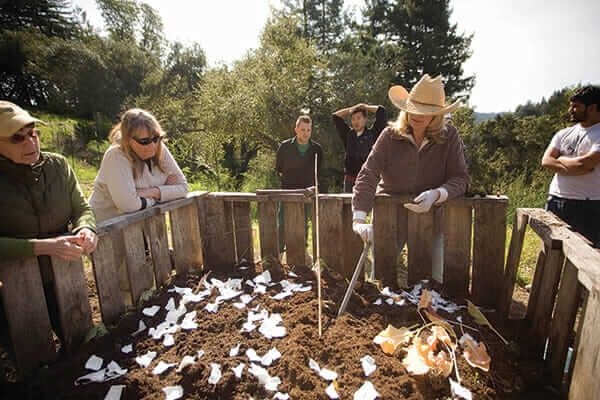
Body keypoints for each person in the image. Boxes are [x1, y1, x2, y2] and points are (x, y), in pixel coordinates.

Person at [351, 74, 470, 286]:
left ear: (437, 115)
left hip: (433, 220)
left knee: (435, 282)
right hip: (390, 218)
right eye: (413, 109)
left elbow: (460, 178)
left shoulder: (449, 136)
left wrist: (437, 194)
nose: (417, 116)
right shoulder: (389, 136)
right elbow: (368, 174)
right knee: (380, 280)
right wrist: (359, 219)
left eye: (426, 112)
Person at [0, 101, 97, 339]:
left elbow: (81, 208)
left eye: (33, 133)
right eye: (17, 138)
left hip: (64, 273)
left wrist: (86, 228)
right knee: (31, 355)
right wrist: (42, 247)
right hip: (14, 285)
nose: (30, 142)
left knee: (79, 339)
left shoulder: (58, 165)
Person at [89, 108, 188, 223]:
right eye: (144, 141)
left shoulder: (159, 147)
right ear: (128, 140)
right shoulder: (115, 155)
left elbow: (184, 188)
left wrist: (153, 192)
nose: (152, 146)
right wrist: (163, 194)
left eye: (156, 138)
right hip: (104, 229)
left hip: (136, 226)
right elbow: (129, 205)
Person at [541, 85, 600, 248]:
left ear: (593, 107)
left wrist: (560, 160)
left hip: (589, 206)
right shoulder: (563, 133)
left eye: (576, 106)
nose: (571, 110)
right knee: (550, 253)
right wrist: (574, 164)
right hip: (556, 200)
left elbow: (586, 163)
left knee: (589, 258)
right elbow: (546, 161)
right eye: (571, 105)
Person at [275, 115, 323, 262]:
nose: (305, 133)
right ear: (296, 130)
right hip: (287, 191)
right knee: (282, 224)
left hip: (307, 193)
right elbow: (279, 169)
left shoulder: (316, 149)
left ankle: (302, 254)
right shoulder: (285, 147)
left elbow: (318, 171)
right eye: (302, 130)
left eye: (308, 130)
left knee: (303, 225)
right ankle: (278, 255)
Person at [333, 103, 387, 192]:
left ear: (365, 119)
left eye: (358, 118)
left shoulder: (373, 134)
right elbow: (335, 116)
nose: (356, 121)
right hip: (350, 181)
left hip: (368, 179)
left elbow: (382, 111)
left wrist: (365, 106)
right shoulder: (348, 134)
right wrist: (352, 108)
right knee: (348, 205)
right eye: (353, 119)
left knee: (368, 205)